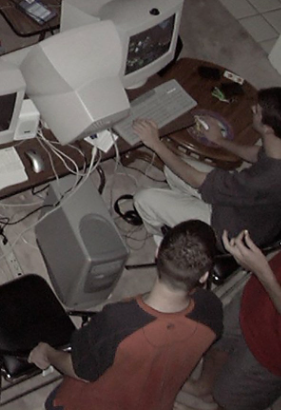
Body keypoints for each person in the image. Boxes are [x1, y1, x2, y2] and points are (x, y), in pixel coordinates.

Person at [29, 219, 223, 410]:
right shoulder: (211, 308)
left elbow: (81, 371)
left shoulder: (119, 320)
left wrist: (48, 352)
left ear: (157, 253)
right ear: (204, 275)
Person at [132, 87, 281, 247]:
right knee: (173, 168)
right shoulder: (276, 146)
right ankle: (182, 208)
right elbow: (257, 153)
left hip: (230, 230)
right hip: (250, 209)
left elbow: (196, 180)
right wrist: (219, 140)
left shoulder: (260, 180)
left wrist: (155, 143)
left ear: (267, 128)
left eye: (257, 111)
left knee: (143, 199)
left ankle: (165, 235)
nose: (252, 108)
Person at [180, 229, 281, 410]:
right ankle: (203, 388)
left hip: (273, 348)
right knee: (218, 341)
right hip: (257, 295)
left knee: (229, 398)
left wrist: (263, 271)